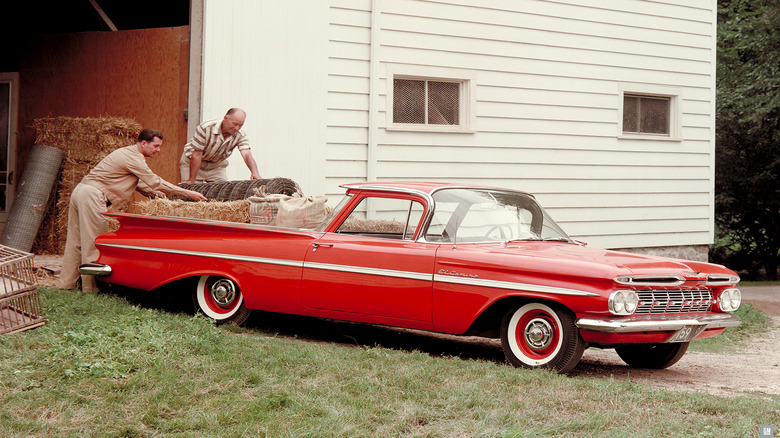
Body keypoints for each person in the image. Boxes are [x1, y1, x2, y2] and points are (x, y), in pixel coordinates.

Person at [59, 129, 208, 292]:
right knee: (94, 242)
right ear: (144, 143)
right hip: (92, 196)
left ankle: (65, 285)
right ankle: (91, 288)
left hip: (81, 191)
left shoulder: (128, 154)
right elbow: (153, 181)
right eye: (156, 146)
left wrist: (153, 194)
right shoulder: (133, 157)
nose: (158, 150)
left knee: (75, 242)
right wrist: (187, 192)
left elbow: (137, 182)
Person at [178, 108, 262, 184]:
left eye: (240, 125)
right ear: (225, 118)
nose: (237, 128)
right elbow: (196, 155)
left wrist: (255, 172)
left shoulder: (240, 136)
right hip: (193, 162)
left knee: (222, 192)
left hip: (216, 166)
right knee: (191, 192)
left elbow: (247, 155)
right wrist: (191, 180)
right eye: (235, 124)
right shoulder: (206, 128)